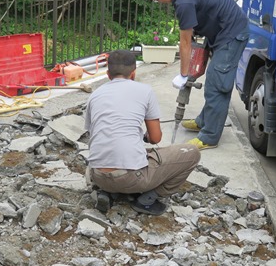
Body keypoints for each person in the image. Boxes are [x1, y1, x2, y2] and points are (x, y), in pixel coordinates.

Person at [136, 0, 250, 149]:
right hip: (220, 31)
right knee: (215, 80)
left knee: (217, 84)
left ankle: (209, 137)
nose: (159, 2)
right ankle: (204, 121)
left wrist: (183, 75)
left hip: (232, 34)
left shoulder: (184, 1)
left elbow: (185, 42)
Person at [85, 49, 201, 216]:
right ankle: (147, 199)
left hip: (97, 175)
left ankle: (109, 192)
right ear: (133, 74)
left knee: (119, 153)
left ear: (108, 74)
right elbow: (155, 138)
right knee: (192, 153)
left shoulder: (94, 95)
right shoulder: (145, 91)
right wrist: (145, 136)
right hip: (132, 179)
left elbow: (97, 135)